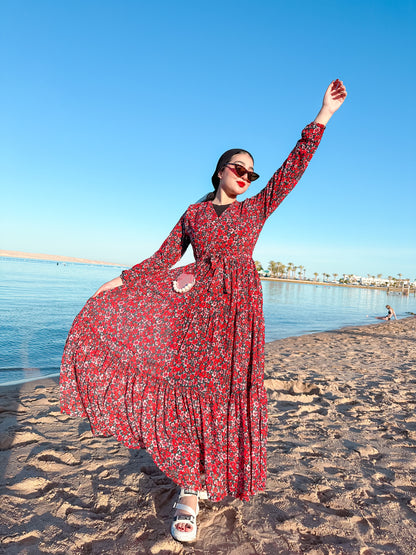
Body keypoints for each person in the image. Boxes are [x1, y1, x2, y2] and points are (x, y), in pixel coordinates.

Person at [60, 79, 347, 543]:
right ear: (219, 171)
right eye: (240, 168)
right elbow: (163, 258)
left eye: (252, 174)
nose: (247, 177)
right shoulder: (194, 214)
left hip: (239, 314)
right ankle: (189, 492)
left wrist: (323, 116)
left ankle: (208, 473)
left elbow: (292, 171)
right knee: (193, 390)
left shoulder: (254, 210)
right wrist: (122, 280)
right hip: (197, 314)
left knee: (226, 395)